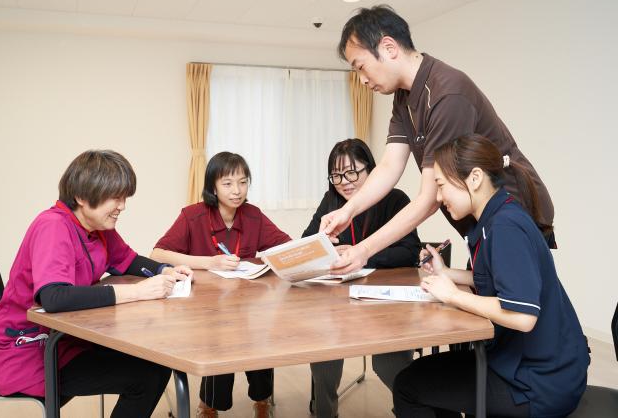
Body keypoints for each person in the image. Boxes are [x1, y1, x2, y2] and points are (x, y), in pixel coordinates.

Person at [320, 5, 556, 275]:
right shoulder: (404, 95)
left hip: (512, 215)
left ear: (388, 47)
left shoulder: (446, 95)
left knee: (514, 309)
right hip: (482, 223)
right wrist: (347, 211)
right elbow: (389, 166)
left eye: (361, 67)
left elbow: (429, 198)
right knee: (489, 298)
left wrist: (363, 250)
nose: (362, 80)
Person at [0, 150, 193, 418]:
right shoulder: (53, 226)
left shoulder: (97, 227)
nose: (123, 206)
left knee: (157, 359)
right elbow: (54, 297)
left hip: (69, 340)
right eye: (115, 197)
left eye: (125, 197)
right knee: (147, 376)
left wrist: (167, 269)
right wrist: (137, 292)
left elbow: (127, 260)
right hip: (29, 353)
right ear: (82, 197)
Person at [391, 135, 589, 417]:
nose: (437, 197)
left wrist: (453, 295)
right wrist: (447, 273)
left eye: (441, 186)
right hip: (531, 365)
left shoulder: (505, 226)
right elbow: (495, 279)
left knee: (409, 387)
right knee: (419, 378)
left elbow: (522, 317)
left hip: (538, 384)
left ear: (474, 178)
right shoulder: (495, 218)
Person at [151, 151, 291, 418]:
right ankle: (209, 405)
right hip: (206, 308)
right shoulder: (193, 216)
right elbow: (158, 253)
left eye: (243, 182)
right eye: (227, 183)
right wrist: (208, 262)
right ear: (212, 186)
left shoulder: (253, 215)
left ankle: (262, 399)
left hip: (247, 305)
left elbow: (286, 245)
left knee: (259, 337)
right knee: (221, 341)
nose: (237, 190)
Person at [303, 138, 420, 418]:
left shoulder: (395, 199)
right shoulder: (331, 202)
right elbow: (305, 243)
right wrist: (323, 244)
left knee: (388, 364)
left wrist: (364, 254)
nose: (345, 182)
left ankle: (411, 408)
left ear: (372, 170)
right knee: (324, 359)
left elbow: (409, 252)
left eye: (352, 172)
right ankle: (324, 411)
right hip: (338, 305)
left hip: (384, 305)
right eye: (337, 175)